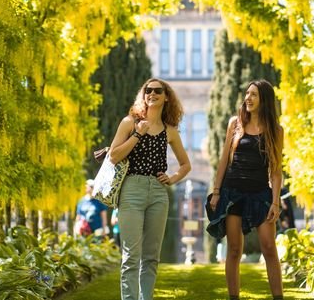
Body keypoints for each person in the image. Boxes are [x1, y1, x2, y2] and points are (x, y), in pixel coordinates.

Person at [108, 78, 191, 300]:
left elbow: (186, 165)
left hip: (158, 193)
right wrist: (137, 135)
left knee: (151, 257)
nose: (151, 94)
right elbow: (113, 156)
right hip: (131, 190)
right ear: (143, 95)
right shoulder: (130, 122)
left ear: (166, 97)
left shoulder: (170, 131)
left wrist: (172, 178)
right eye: (148, 90)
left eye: (157, 90)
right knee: (131, 256)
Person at [207, 79, 284, 300]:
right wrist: (217, 191)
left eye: (254, 95)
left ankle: (279, 297)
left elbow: (276, 170)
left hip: (261, 194)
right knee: (233, 250)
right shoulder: (235, 123)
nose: (248, 98)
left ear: (265, 100)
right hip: (233, 193)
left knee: (269, 247)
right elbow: (224, 161)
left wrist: (276, 201)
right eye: (247, 93)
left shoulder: (276, 131)